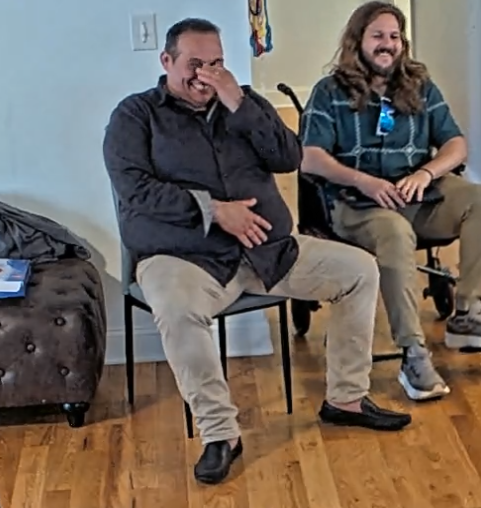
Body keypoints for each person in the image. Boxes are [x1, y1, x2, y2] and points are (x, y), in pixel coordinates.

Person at [103, 17, 411, 485]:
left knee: (359, 270)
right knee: (177, 308)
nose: (205, 75)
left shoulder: (242, 103)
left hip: (270, 251)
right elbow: (135, 190)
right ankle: (220, 434)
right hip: (185, 258)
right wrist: (213, 211)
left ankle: (346, 398)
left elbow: (289, 157)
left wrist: (240, 104)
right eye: (194, 64)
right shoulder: (135, 115)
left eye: (215, 64)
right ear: (166, 61)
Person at [300, 0, 481, 403]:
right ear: (358, 40)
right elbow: (309, 157)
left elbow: (455, 143)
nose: (388, 44)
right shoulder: (329, 92)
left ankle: (469, 314)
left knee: (478, 199)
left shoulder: (419, 85)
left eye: (395, 36)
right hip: (356, 202)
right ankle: (413, 353)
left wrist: (426, 173)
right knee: (395, 232)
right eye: (378, 35)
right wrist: (364, 181)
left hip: (416, 193)